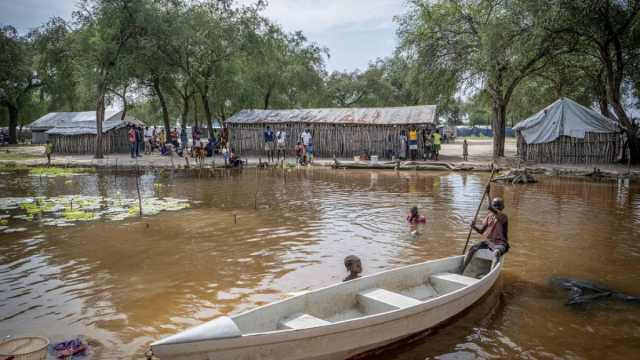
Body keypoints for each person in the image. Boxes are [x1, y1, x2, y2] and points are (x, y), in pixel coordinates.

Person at [460, 193, 509, 273]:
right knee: (472, 248)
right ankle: (461, 270)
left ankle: (490, 275)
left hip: (501, 243)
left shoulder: (503, 216)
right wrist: (474, 226)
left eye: (498, 206)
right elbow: (481, 231)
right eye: (495, 205)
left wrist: (488, 193)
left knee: (496, 253)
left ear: (502, 207)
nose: (496, 207)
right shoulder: (489, 217)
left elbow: (489, 207)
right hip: (489, 242)